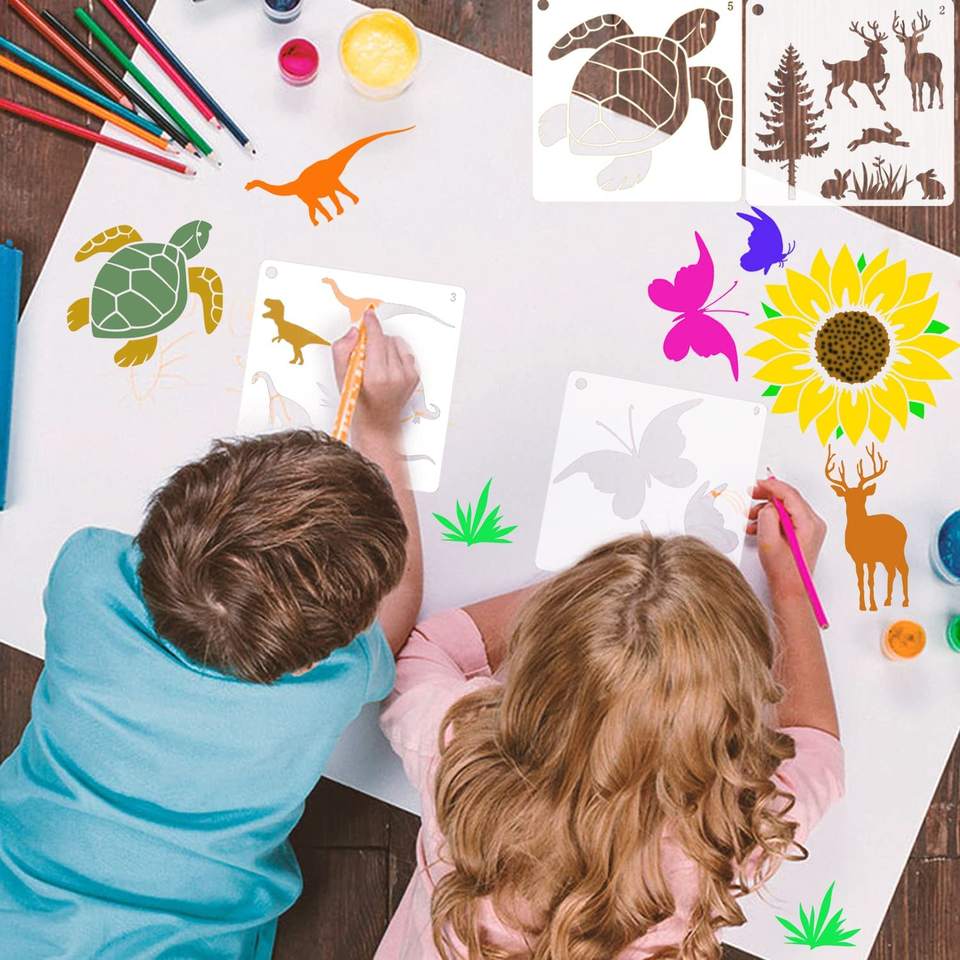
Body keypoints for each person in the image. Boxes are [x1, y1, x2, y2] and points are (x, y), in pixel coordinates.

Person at [0, 314, 422, 959]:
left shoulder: (85, 572)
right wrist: (382, 430)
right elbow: (398, 610)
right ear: (315, 655)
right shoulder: (332, 684)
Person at [378, 479, 842, 959]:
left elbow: (424, 651)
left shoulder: (459, 753)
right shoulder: (731, 829)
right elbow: (818, 749)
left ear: (535, 646)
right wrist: (792, 588)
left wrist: (589, 595)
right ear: (732, 715)